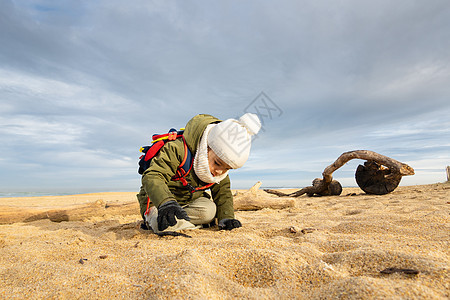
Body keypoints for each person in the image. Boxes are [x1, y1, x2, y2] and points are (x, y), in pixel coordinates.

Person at [137, 113, 261, 233]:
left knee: (210, 211)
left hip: (189, 203)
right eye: (217, 163)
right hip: (159, 202)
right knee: (161, 224)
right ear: (206, 146)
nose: (220, 171)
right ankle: (180, 223)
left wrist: (226, 217)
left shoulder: (220, 170)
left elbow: (223, 192)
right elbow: (153, 176)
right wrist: (165, 203)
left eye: (227, 168)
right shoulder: (177, 149)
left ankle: (181, 223)